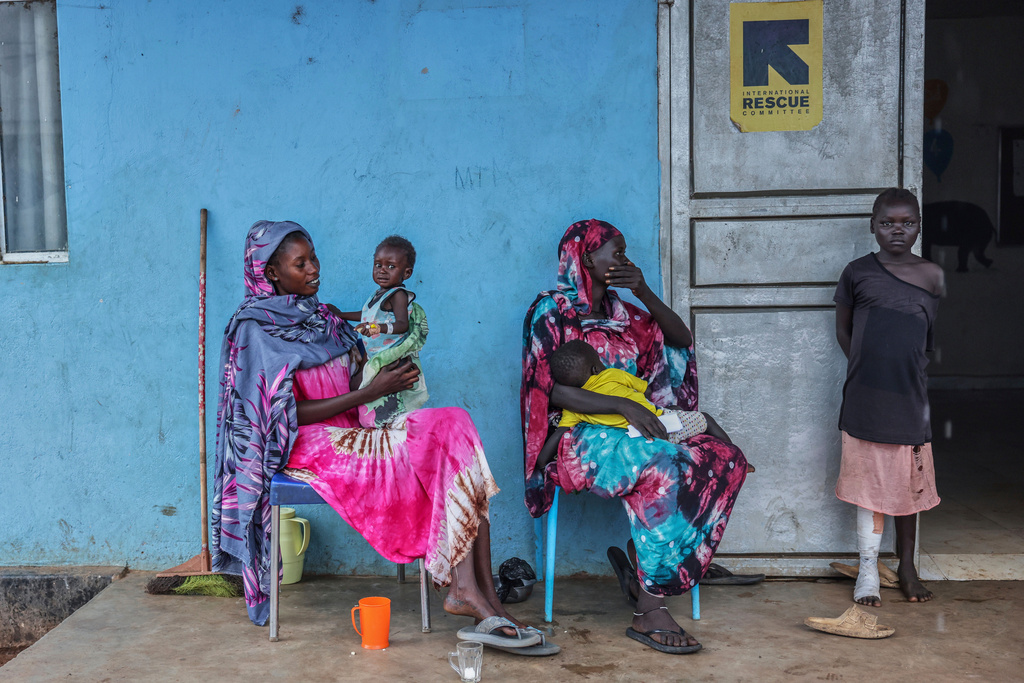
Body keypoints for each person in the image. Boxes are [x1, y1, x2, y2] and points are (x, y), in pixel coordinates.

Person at [213, 221, 533, 647]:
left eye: (314, 257)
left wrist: (392, 377)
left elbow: (370, 354)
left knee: (453, 424)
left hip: (355, 426)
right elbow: (283, 415)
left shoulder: (320, 316)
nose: (314, 269)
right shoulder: (254, 329)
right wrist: (371, 390)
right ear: (271, 273)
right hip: (309, 442)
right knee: (435, 449)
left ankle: (481, 592)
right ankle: (468, 591)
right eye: (301, 263)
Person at [521, 219, 750, 654]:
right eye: (616, 251)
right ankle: (649, 609)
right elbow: (549, 388)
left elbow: (681, 340)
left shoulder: (627, 315)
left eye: (625, 252)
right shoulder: (551, 312)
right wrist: (622, 405)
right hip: (580, 436)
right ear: (587, 259)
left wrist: (643, 291)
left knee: (724, 458)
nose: (624, 259)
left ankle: (656, 563)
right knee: (664, 466)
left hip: (639, 423)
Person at [834, 188, 943, 606]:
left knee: (908, 483)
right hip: (865, 396)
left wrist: (905, 373)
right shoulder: (857, 272)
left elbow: (927, 339)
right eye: (887, 223)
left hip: (909, 399)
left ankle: (907, 566)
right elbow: (844, 331)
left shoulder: (931, 275)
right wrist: (866, 368)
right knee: (868, 485)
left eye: (907, 223)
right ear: (873, 225)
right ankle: (868, 570)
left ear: (918, 225)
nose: (897, 230)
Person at [534, 340, 731, 472]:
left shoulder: (574, 408)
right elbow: (644, 392)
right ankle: (733, 454)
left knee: (675, 413)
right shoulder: (612, 375)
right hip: (663, 426)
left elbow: (560, 433)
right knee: (704, 418)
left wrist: (542, 461)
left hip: (634, 446)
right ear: (596, 368)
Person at [333, 235, 428, 427]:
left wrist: (377, 328)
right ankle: (374, 421)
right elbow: (367, 315)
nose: (382, 271)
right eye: (378, 265)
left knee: (384, 393)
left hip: (390, 353)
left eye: (391, 266)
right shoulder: (378, 294)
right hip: (374, 352)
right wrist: (341, 314)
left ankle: (385, 424)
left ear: (407, 273)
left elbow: (403, 325)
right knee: (356, 385)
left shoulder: (398, 295)